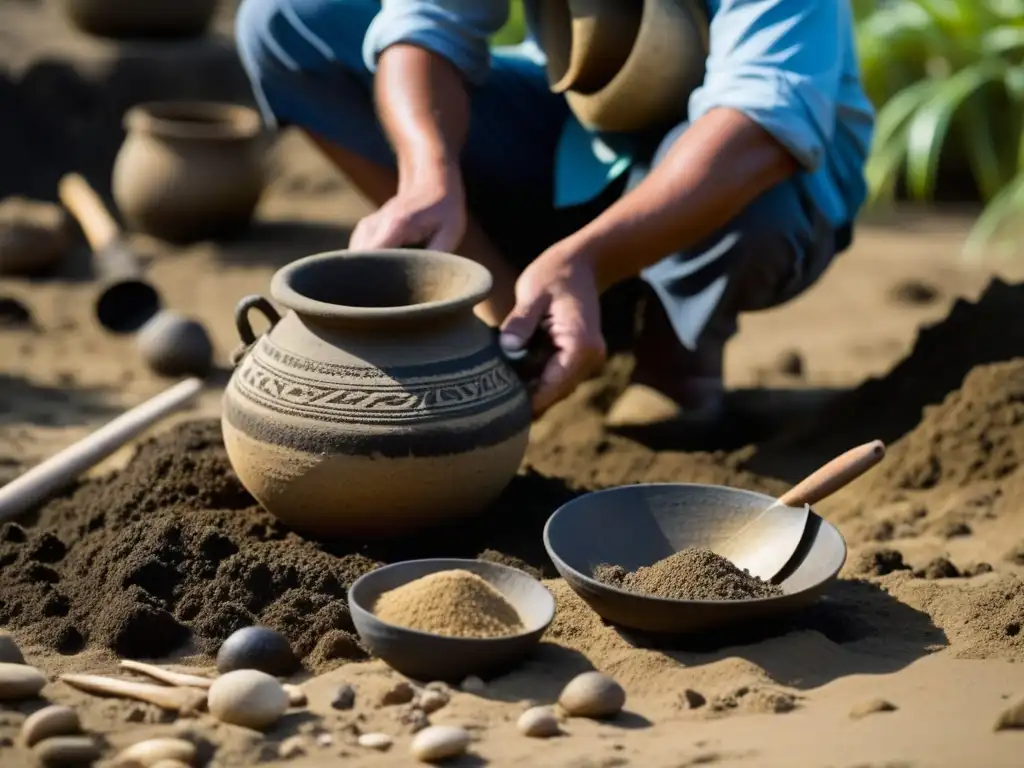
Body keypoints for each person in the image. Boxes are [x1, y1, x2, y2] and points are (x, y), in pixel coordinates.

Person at [233, 0, 874, 430]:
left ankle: (678, 348)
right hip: (580, 132)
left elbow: (764, 122)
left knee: (752, 179)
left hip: (761, 177)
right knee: (288, 17)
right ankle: (503, 315)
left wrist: (589, 261)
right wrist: (429, 171)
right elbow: (425, 24)